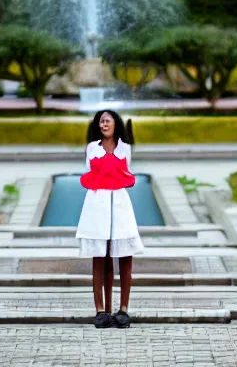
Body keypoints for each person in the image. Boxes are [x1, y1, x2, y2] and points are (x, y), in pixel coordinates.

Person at [77, 110, 144, 328]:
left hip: (120, 204)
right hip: (97, 203)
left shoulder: (125, 148)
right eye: (101, 121)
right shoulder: (92, 148)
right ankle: (101, 310)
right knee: (100, 255)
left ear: (116, 124)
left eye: (108, 121)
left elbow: (125, 174)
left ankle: (123, 309)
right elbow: (91, 173)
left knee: (124, 255)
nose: (104, 124)